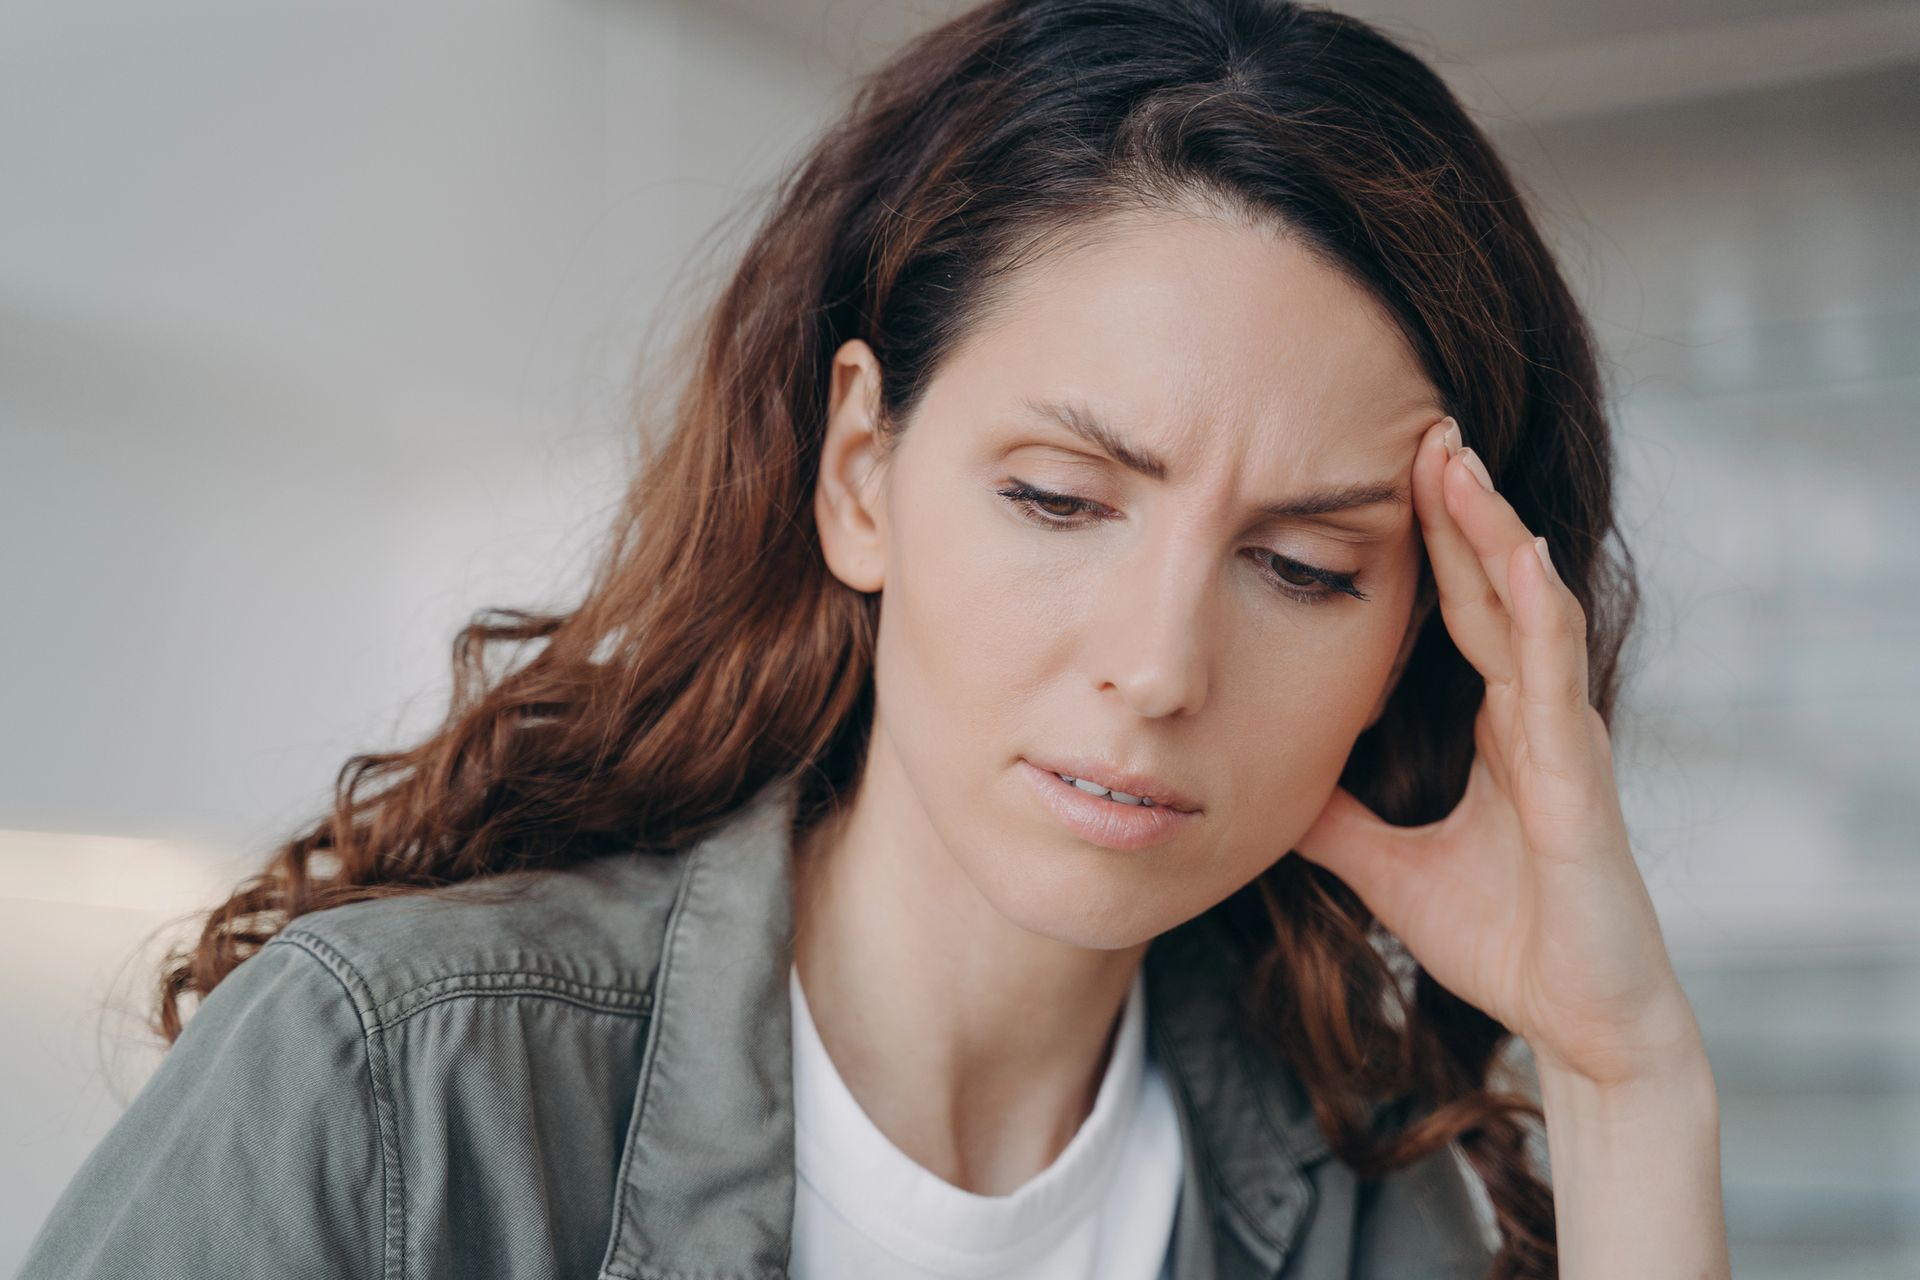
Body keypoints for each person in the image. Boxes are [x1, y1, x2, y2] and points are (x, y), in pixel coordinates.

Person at [17, 1, 1733, 1277]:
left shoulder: (1361, 1210)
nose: (1158, 668)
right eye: (1062, 500)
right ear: (861, 472)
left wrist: (1623, 1070)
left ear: (1410, 647)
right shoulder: (402, 1089)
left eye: (1300, 567)